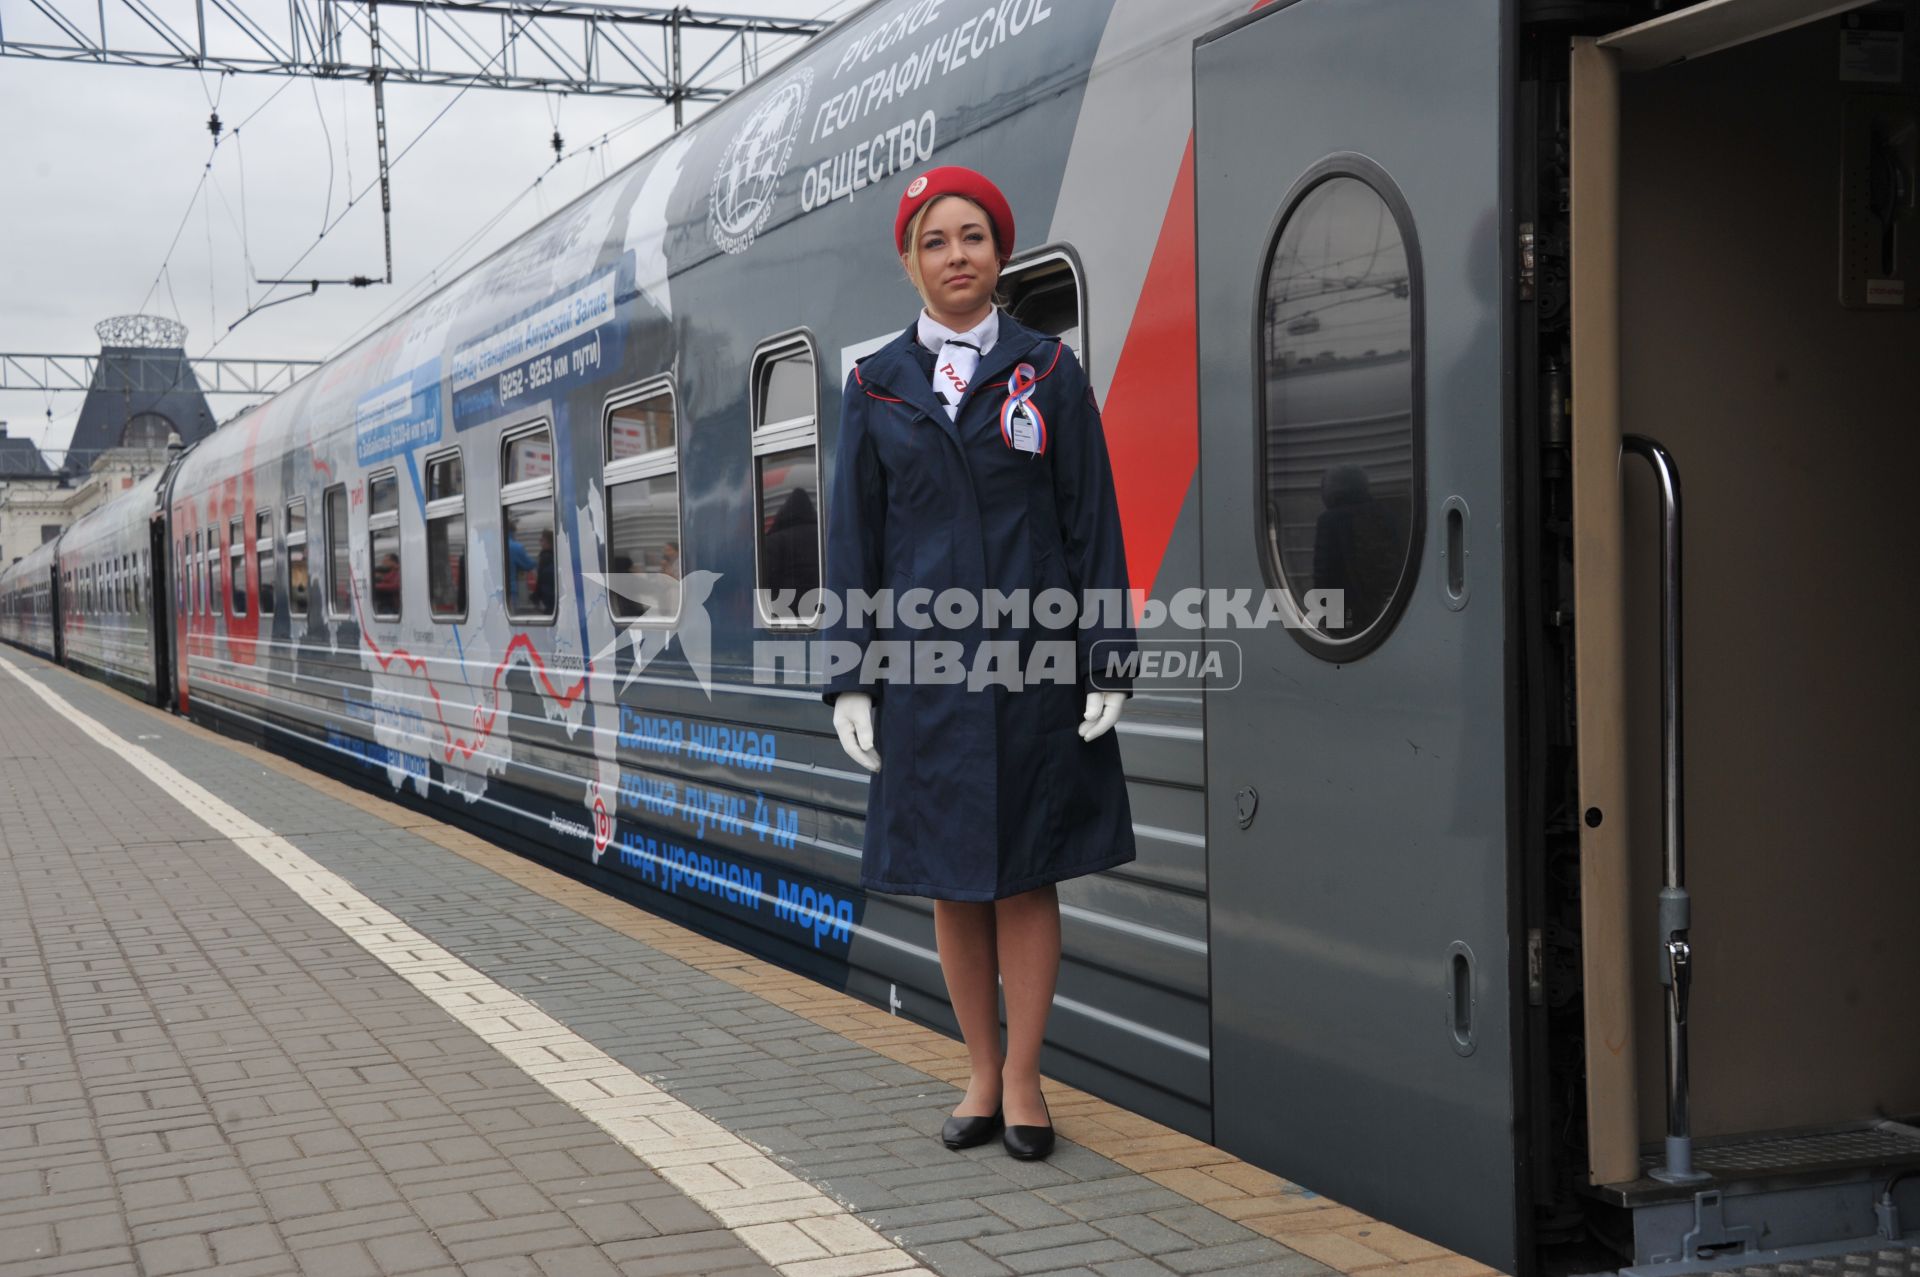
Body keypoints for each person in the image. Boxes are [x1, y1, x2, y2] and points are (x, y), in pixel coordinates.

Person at [821, 166, 1136, 1162]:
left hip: (1034, 666)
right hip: (922, 675)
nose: (956, 256)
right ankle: (979, 1071)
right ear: (910, 259)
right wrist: (851, 674)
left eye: (974, 237)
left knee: (1026, 875)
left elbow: (1091, 523)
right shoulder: (874, 384)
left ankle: (1028, 1077)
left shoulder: (1051, 371)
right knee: (954, 882)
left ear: (1000, 253)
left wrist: (1106, 656)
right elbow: (852, 544)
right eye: (936, 240)